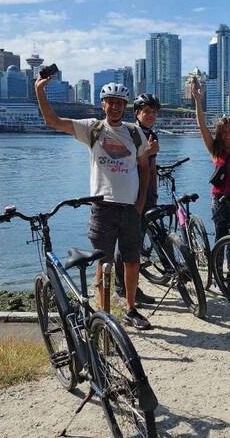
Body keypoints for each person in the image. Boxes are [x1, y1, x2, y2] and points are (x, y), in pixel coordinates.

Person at [35, 77, 153, 330]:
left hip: (130, 208)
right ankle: (103, 313)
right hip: (103, 207)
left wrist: (142, 200)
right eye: (110, 102)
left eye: (119, 103)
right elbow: (52, 121)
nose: (115, 107)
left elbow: (144, 167)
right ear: (103, 105)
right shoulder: (93, 129)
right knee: (104, 262)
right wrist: (39, 90)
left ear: (125, 106)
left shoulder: (135, 133)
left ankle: (130, 309)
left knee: (132, 261)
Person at [192, 82, 230, 245]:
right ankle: (217, 268)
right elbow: (202, 126)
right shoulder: (215, 149)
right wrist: (198, 100)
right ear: (219, 133)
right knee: (221, 234)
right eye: (224, 131)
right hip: (220, 197)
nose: (227, 134)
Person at [115, 93, 160, 306]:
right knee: (127, 244)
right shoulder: (129, 133)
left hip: (145, 195)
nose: (150, 115)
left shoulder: (152, 134)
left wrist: (153, 194)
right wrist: (147, 152)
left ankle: (129, 286)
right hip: (129, 194)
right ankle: (121, 287)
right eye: (146, 111)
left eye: (153, 112)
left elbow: (151, 167)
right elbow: (122, 163)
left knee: (136, 241)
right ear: (137, 113)